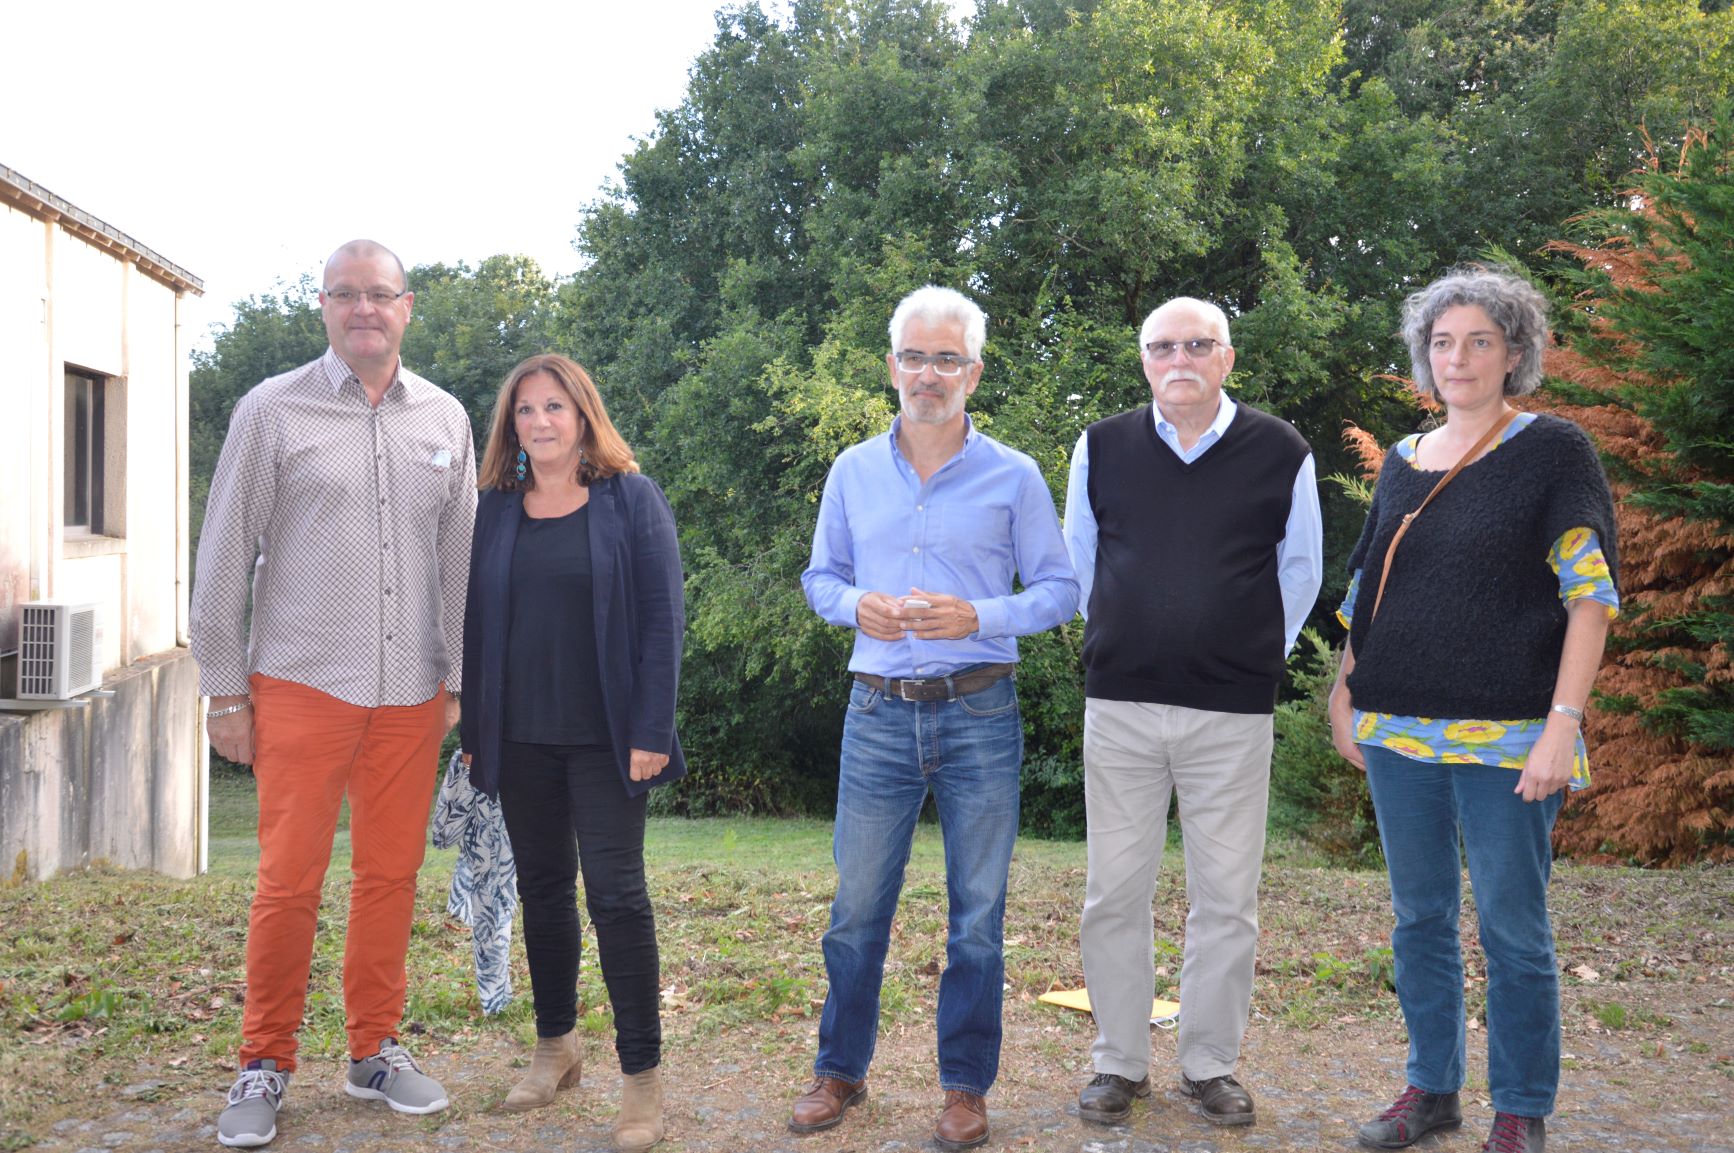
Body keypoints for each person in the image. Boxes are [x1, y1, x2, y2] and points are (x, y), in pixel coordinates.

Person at [191, 240, 475, 1148]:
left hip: (409, 693)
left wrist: (461, 678)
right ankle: (264, 1060)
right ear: (323, 306)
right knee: (287, 881)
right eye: (346, 295)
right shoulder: (272, 412)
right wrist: (223, 690)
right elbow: (223, 556)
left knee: (390, 875)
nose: (364, 309)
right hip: (303, 682)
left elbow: (460, 560)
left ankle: (374, 1050)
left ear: (408, 307)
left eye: (380, 294)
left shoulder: (446, 418)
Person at [1328, 266, 1618, 1153]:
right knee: (1419, 919)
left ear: (1515, 353)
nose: (1459, 358)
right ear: (1426, 356)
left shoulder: (1553, 450)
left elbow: (1591, 596)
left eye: (1479, 341)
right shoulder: (1406, 463)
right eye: (1443, 342)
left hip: (1515, 736)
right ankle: (1431, 1088)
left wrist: (1563, 725)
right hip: (1398, 733)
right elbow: (1367, 588)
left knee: (1512, 925)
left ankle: (1522, 1106)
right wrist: (1344, 687)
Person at [792, 286, 1078, 1151]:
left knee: (977, 915)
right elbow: (820, 579)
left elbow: (1062, 591)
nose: (928, 373)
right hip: (877, 711)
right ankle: (840, 1070)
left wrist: (979, 616)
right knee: (856, 908)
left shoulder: (1016, 474)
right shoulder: (851, 469)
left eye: (947, 358)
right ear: (892, 367)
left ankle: (964, 1086)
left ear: (973, 372)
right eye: (915, 356)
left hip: (979, 711)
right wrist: (855, 608)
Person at [1062, 297, 1323, 1129]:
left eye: (1198, 344)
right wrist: (1125, 639)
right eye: (1163, 345)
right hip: (1123, 706)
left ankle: (1209, 1064)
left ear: (1226, 357)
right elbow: (1078, 565)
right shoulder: (1100, 444)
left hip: (1231, 716)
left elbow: (1303, 571)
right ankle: (1118, 1063)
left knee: (1226, 899)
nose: (1180, 357)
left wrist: (1244, 659)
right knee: (1113, 893)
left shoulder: (1280, 449)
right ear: (1144, 359)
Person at [458, 353, 685, 1153]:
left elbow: (663, 619)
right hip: (519, 737)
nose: (541, 422)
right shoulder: (493, 509)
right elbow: (475, 628)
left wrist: (653, 728)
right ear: (510, 427)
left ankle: (642, 1080)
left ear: (584, 415)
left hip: (611, 739)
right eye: (526, 411)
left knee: (618, 897)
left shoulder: (631, 500)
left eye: (556, 407)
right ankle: (556, 1045)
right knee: (545, 891)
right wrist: (475, 735)